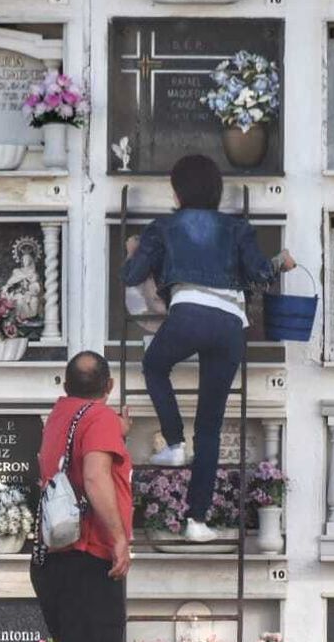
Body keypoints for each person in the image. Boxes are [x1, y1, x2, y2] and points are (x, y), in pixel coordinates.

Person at [121, 155, 294, 543]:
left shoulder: (163, 227)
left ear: (177, 191)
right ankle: (197, 521)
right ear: (216, 191)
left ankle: (174, 443)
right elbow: (259, 274)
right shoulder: (238, 227)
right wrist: (281, 261)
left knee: (153, 366)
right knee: (211, 426)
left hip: (189, 315)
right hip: (230, 323)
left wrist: (134, 250)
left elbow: (132, 277)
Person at [31, 352, 134, 642]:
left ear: (67, 383)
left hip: (53, 561)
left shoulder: (60, 415)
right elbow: (95, 479)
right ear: (108, 386)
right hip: (88, 555)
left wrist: (117, 434)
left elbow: (75, 458)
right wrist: (119, 539)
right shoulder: (100, 417)